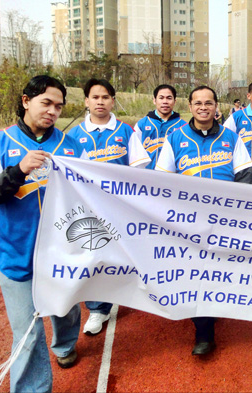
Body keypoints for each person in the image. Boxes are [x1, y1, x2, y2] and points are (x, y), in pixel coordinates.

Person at [0, 75, 82, 391]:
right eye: (46, 103)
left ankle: (64, 345)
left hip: (63, 253)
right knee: (27, 334)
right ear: (26, 101)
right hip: (17, 253)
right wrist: (18, 170)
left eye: (59, 106)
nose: (52, 111)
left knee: (66, 310)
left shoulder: (70, 145)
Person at [155, 86, 252, 356]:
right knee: (197, 274)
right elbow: (162, 181)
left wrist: (236, 213)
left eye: (208, 103)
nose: (203, 107)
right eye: (197, 103)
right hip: (190, 222)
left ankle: (212, 308)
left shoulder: (231, 138)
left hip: (224, 220)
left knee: (220, 271)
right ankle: (204, 333)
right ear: (190, 105)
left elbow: (245, 176)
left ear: (215, 106)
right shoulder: (175, 138)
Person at [69, 78, 150, 335]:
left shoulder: (126, 131)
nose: (100, 102)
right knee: (95, 257)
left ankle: (138, 290)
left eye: (105, 97)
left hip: (122, 206)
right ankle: (97, 309)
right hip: (90, 210)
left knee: (130, 251)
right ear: (86, 101)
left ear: (113, 100)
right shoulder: (73, 136)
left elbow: (139, 167)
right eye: (95, 97)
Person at [134, 84, 187, 169]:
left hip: (172, 177)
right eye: (161, 98)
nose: (165, 101)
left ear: (175, 101)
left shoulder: (183, 126)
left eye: (169, 98)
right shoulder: (142, 124)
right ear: (154, 100)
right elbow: (134, 153)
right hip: (146, 176)